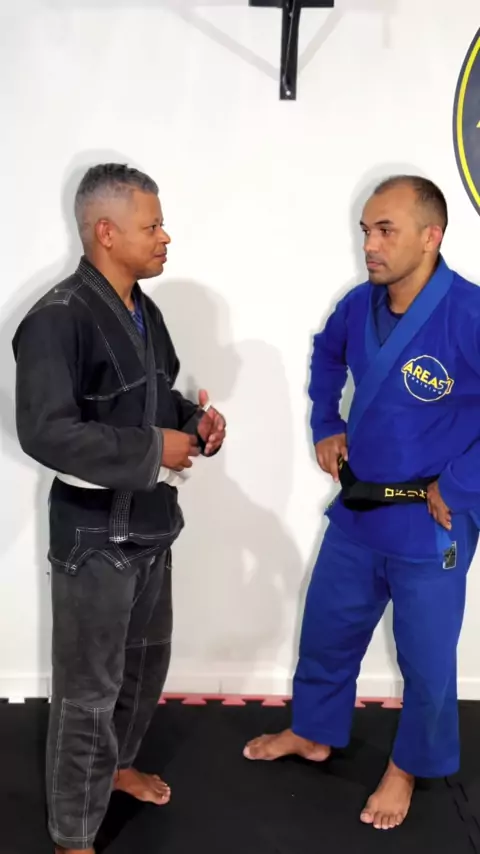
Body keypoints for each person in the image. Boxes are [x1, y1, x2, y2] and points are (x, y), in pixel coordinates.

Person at [244, 175, 480, 831]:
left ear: (431, 237)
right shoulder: (357, 306)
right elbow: (327, 357)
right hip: (359, 511)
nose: (370, 245)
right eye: (366, 231)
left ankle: (407, 766)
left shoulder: (469, 314)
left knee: (427, 661)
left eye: (385, 231)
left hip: (432, 522)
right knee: (327, 631)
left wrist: (460, 486)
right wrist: (326, 421)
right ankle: (314, 731)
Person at [13, 163, 226, 854]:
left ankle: (119, 767)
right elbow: (46, 432)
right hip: (93, 537)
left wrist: (193, 424)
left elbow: (156, 398)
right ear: (106, 232)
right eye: (152, 226)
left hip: (151, 524)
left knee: (144, 667)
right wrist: (154, 448)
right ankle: (73, 833)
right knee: (89, 690)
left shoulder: (144, 311)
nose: (166, 237)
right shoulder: (57, 318)